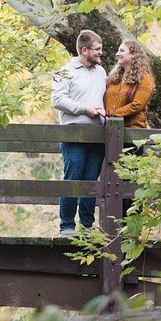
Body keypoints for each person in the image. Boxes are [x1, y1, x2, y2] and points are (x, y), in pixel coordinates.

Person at [50, 30, 107, 236]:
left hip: (98, 134)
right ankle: (67, 226)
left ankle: (87, 227)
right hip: (74, 134)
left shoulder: (101, 72)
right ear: (84, 50)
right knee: (73, 179)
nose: (101, 53)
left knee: (91, 181)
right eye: (97, 49)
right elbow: (57, 100)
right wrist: (84, 109)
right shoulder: (65, 72)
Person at [103, 39, 155, 129]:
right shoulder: (113, 79)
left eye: (121, 51)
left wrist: (111, 114)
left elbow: (136, 105)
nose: (117, 54)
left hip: (133, 132)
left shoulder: (145, 79)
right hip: (110, 130)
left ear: (134, 54)